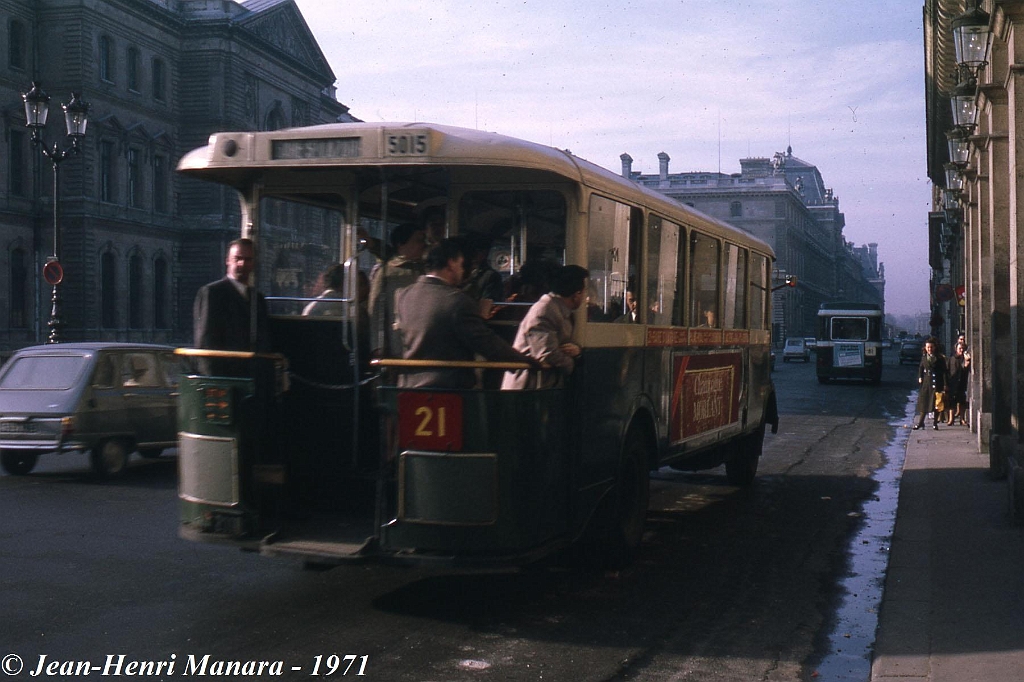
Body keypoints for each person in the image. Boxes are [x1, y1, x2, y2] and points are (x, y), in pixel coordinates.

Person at [393, 237, 541, 389]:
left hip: (408, 385)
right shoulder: (458, 301)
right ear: (451, 263)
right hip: (449, 388)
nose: (463, 270)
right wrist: (522, 361)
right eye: (461, 264)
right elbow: (485, 342)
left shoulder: (403, 295)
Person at [502, 265, 589, 390]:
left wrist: (577, 352)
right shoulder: (545, 310)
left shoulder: (560, 310)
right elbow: (547, 353)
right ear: (576, 294)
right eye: (584, 291)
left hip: (543, 385)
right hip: (528, 388)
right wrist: (573, 364)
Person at [193, 237, 270, 376]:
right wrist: (213, 383)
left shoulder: (258, 299)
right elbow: (205, 342)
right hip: (225, 380)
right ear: (227, 260)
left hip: (253, 381)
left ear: (254, 263)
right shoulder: (212, 293)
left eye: (248, 259)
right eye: (237, 258)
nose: (242, 263)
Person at [368, 223, 427, 357]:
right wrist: (378, 346)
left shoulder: (427, 270)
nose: (423, 245)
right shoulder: (387, 273)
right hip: (398, 341)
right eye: (418, 241)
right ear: (401, 244)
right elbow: (376, 311)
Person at [913, 337, 947, 430]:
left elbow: (944, 371)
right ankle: (920, 423)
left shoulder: (940, 358)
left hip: (937, 384)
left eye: (931, 347)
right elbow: (921, 367)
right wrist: (920, 377)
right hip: (926, 384)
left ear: (934, 347)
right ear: (925, 348)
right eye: (928, 347)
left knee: (936, 404)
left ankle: (935, 423)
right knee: (924, 403)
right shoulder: (924, 357)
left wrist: (945, 384)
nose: (929, 349)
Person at [461, 232, 504, 304]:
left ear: (485, 253)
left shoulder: (491, 276)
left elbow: (489, 303)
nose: (472, 255)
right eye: (469, 251)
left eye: (477, 251)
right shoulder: (459, 271)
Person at [946, 341, 971, 425]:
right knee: (952, 402)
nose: (961, 350)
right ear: (956, 349)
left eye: (963, 348)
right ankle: (951, 419)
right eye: (959, 348)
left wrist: (967, 363)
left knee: (962, 402)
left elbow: (966, 369)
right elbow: (947, 371)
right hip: (953, 383)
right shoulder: (952, 359)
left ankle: (962, 419)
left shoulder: (965, 358)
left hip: (962, 383)